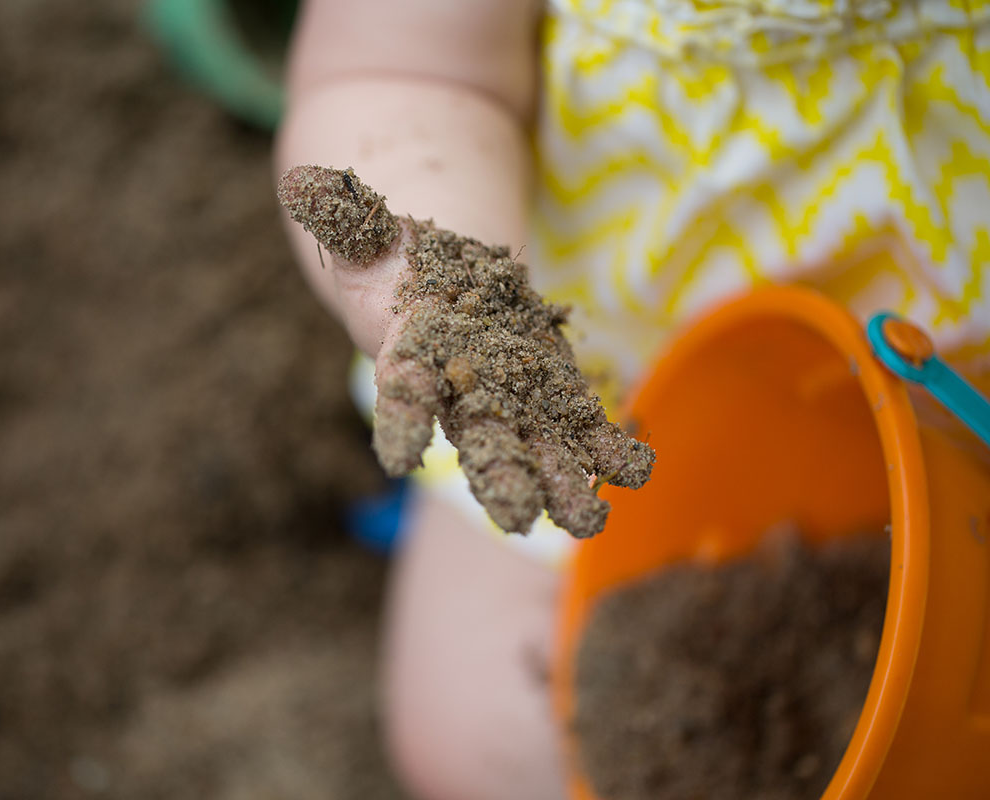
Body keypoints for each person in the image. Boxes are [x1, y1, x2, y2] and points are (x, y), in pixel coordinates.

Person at [274, 1, 990, 797]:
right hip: (584, 398)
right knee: (484, 737)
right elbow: (400, 74)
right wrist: (437, 286)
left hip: (967, 386)